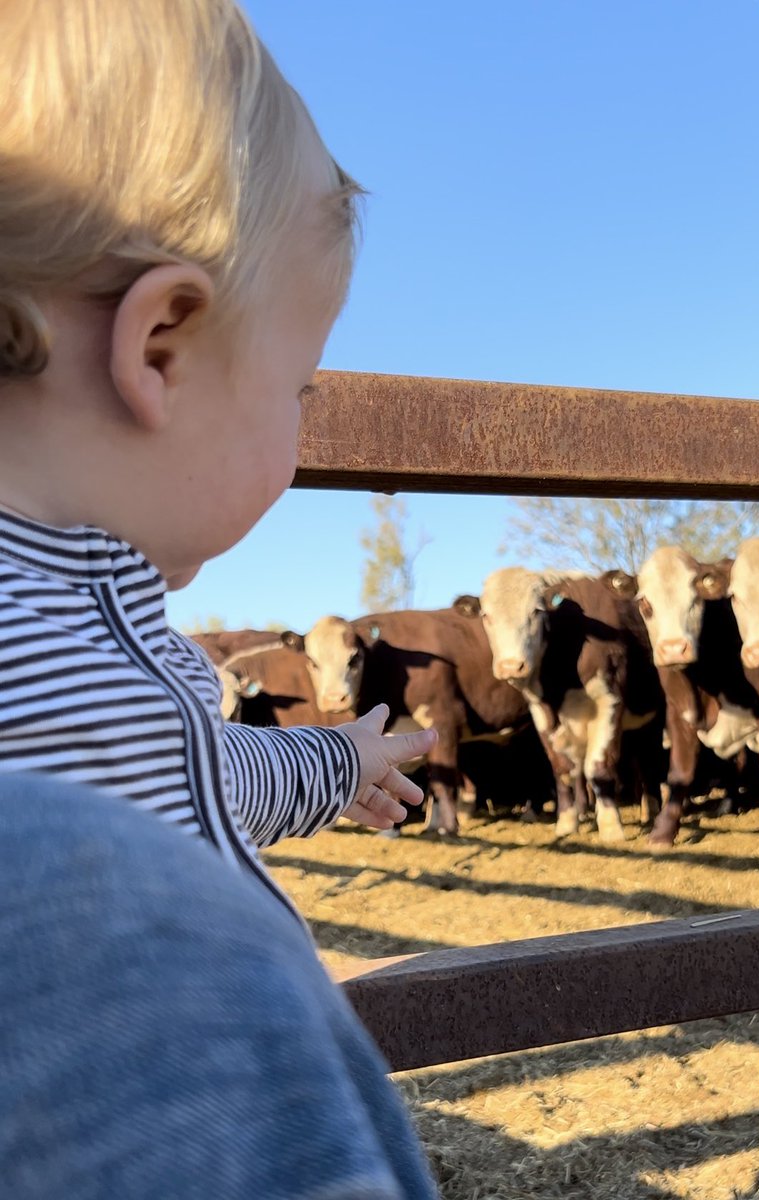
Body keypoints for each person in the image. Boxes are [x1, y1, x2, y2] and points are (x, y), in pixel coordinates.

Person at [0, 1, 438, 1195]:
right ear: (161, 349)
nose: (302, 424)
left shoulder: (92, 625)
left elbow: (189, 766)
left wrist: (334, 763)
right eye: (299, 386)